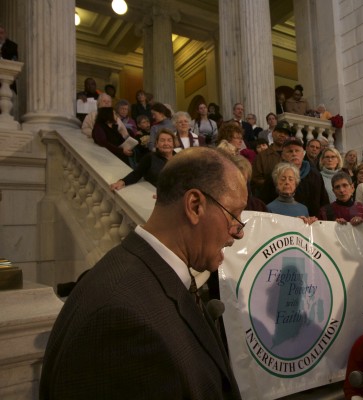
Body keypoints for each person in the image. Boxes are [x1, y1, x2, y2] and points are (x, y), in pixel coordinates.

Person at [40, 147, 245, 400]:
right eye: (234, 215)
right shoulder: (121, 320)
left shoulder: (150, 275)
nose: (239, 232)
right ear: (194, 206)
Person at [110, 129, 176, 190]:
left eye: (169, 140)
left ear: (173, 144)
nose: (166, 143)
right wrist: (122, 182)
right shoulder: (150, 157)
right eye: (162, 140)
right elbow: (136, 174)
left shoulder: (180, 158)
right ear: (156, 144)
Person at [280, 137, 329, 217]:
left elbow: (324, 202)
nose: (294, 154)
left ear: (303, 153)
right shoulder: (276, 175)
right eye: (290, 151)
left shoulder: (315, 175)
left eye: (297, 150)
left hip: (312, 223)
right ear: (283, 155)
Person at [251, 121, 292, 203]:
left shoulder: (292, 156)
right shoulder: (261, 156)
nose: (282, 135)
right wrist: (274, 185)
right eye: (280, 132)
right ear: (273, 133)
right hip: (266, 201)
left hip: (288, 200)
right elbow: (255, 179)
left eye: (286, 134)